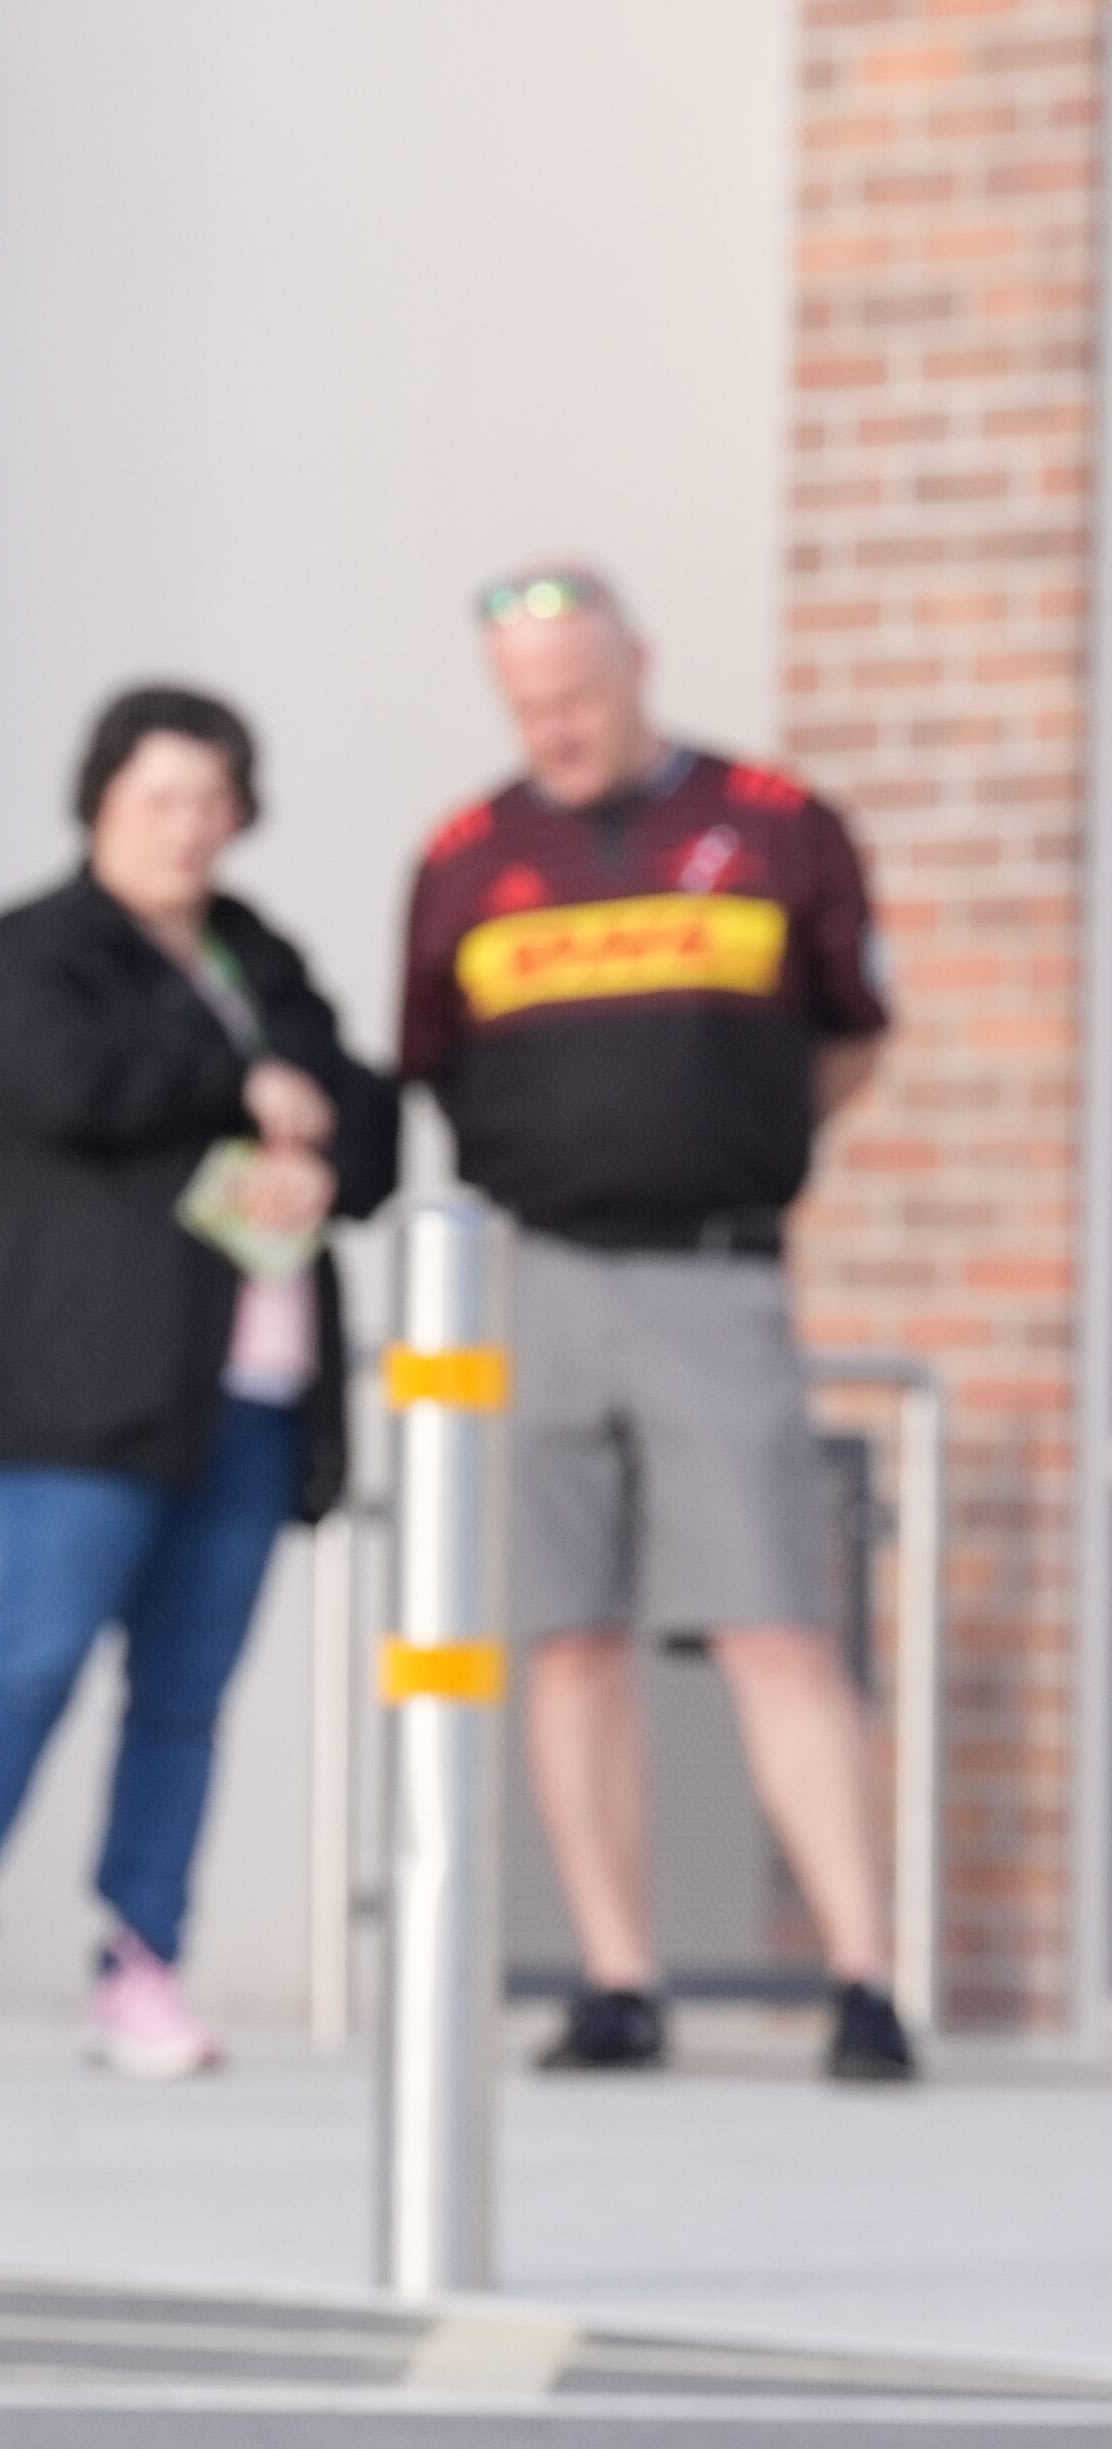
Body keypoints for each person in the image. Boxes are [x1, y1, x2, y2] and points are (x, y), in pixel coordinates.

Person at [400, 563, 916, 2083]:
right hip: (539, 1283)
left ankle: (864, 1978)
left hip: (716, 1275)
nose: (551, 727)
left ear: (638, 666)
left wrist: (731, 1146)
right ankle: (618, 1977)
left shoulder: (774, 823)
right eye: (525, 704)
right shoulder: (464, 856)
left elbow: (852, 1037)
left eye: (575, 694)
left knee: (774, 1622)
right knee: (567, 1639)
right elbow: (437, 1064)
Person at [0, 686, 401, 2077]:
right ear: (101, 801)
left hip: (252, 1386)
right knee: (30, 1659)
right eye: (156, 799)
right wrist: (246, 1095)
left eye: (210, 802)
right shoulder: (36, 951)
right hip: (83, 1392)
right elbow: (68, 1087)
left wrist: (318, 1141)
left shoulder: (260, 957)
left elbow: (368, 1114)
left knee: (186, 1690)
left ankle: (144, 1961)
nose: (184, 829)